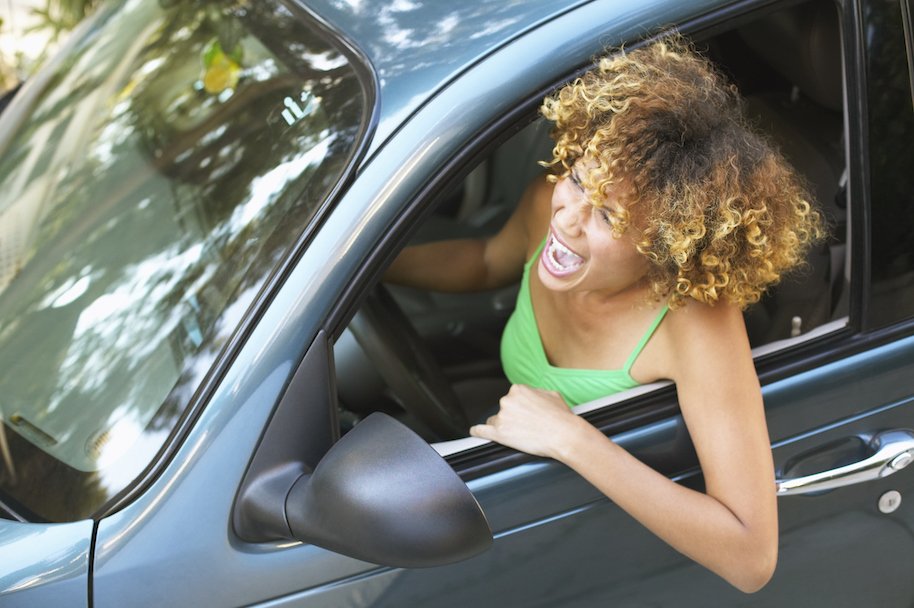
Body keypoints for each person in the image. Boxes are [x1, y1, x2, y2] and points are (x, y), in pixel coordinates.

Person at [385, 35, 824, 592]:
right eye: (576, 177)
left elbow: (750, 556)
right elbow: (485, 259)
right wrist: (375, 265)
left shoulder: (693, 323)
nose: (568, 217)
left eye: (610, 217)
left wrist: (574, 439)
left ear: (667, 247)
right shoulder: (551, 203)